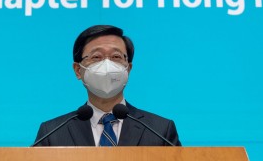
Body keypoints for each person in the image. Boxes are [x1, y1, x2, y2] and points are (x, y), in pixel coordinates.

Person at [33, 24, 181, 146]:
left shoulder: (160, 130)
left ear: (128, 69)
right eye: (96, 57)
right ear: (78, 70)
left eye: (116, 56)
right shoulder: (51, 133)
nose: (107, 65)